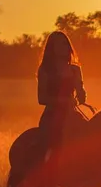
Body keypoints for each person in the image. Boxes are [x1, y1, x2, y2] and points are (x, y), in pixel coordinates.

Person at [37, 31, 87, 162]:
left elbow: (80, 91)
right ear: (51, 48)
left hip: (72, 114)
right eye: (59, 45)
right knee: (51, 145)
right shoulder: (45, 70)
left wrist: (82, 95)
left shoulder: (75, 69)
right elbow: (41, 98)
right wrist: (62, 101)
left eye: (65, 44)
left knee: (92, 136)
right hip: (51, 116)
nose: (63, 48)